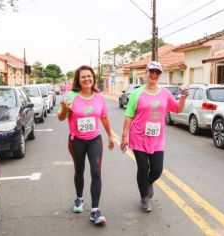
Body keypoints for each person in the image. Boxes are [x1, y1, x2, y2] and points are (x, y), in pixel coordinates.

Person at [120, 61, 189, 212]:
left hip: (157, 139)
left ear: (160, 75)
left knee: (157, 170)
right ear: (146, 72)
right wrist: (124, 136)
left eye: (157, 72)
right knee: (143, 168)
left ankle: (148, 183)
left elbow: (177, 108)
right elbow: (129, 116)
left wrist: (183, 97)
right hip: (138, 137)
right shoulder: (137, 93)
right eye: (151, 71)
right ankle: (144, 197)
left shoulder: (165, 93)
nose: (154, 75)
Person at [58, 65, 114, 225]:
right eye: (83, 77)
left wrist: (110, 135)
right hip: (77, 141)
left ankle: (95, 210)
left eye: (89, 76)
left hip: (95, 139)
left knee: (96, 172)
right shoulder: (71, 96)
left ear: (93, 78)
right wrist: (63, 111)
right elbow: (61, 118)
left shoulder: (99, 97)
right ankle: (79, 199)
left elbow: (104, 118)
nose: (87, 79)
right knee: (79, 170)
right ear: (78, 80)